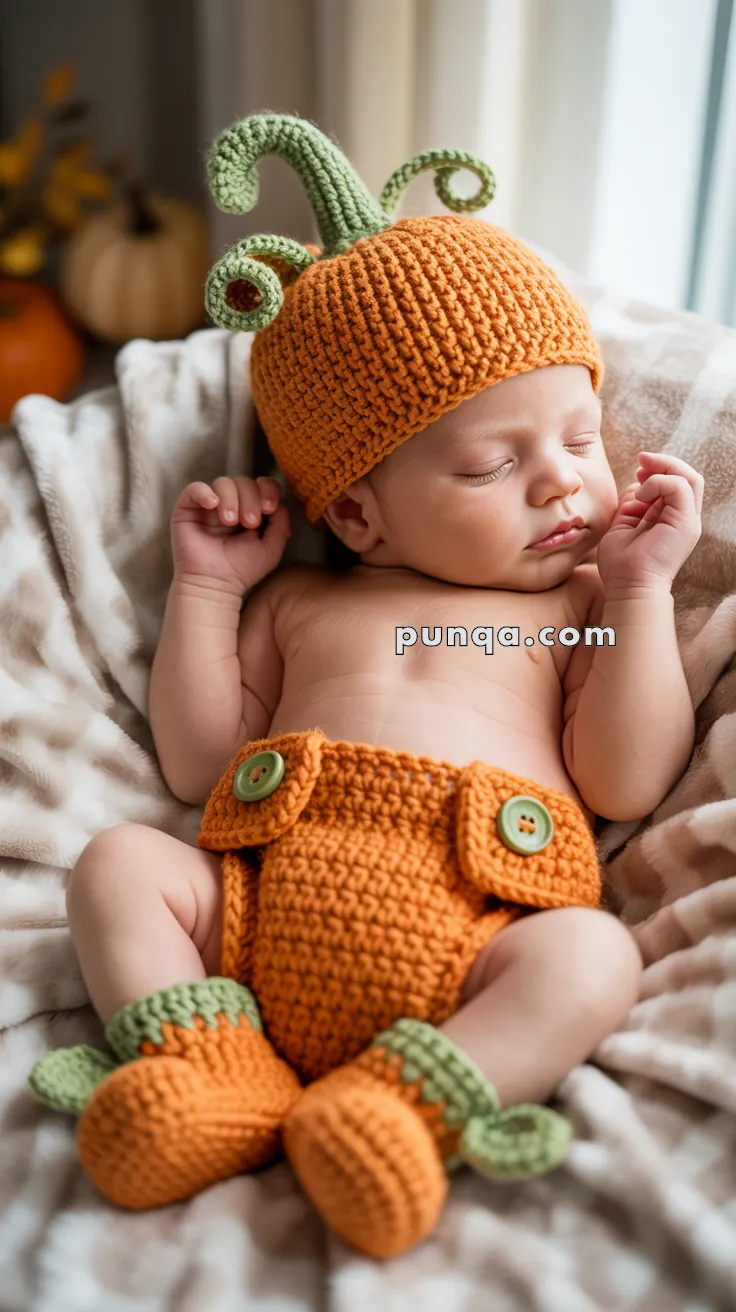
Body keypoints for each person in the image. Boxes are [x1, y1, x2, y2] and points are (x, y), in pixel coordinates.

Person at [29, 114, 702, 1260]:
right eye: (492, 463)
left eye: (582, 438)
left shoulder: (576, 606)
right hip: (253, 921)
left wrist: (641, 592)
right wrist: (207, 590)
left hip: (480, 934)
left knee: (593, 956)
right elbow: (198, 761)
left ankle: (399, 1106)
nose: (561, 484)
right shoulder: (301, 601)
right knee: (121, 864)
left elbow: (624, 777)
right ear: (354, 512)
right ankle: (206, 1060)